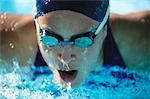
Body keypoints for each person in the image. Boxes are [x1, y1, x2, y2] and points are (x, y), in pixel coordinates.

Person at [0, 0, 150, 88]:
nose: (64, 57)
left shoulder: (142, 44)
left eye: (82, 41)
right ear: (36, 27)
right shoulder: (8, 43)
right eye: (50, 38)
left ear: (104, 30)